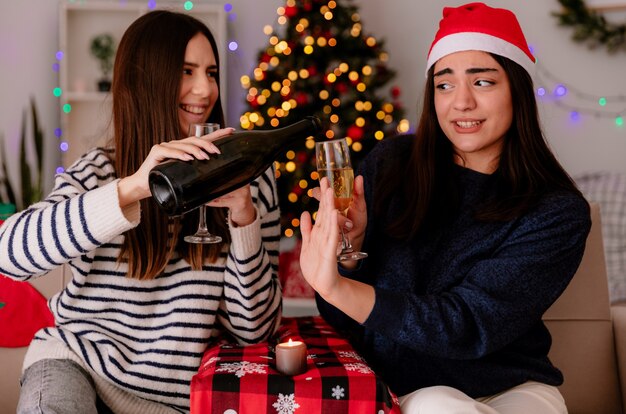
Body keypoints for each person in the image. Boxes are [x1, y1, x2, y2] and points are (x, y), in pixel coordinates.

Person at [299, 3, 590, 413]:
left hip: (510, 387)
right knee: (442, 405)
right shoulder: (391, 165)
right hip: (411, 390)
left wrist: (338, 285)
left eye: (484, 82)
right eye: (444, 84)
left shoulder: (556, 210)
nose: (462, 102)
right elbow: (346, 320)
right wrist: (350, 255)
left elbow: (467, 325)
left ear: (518, 91)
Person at [0, 10, 281, 413]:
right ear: (148, 82)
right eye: (186, 71)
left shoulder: (251, 183)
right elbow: (8, 255)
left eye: (211, 72)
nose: (205, 89)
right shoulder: (100, 170)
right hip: (76, 365)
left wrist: (244, 219)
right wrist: (133, 187)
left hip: (171, 401)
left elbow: (255, 330)